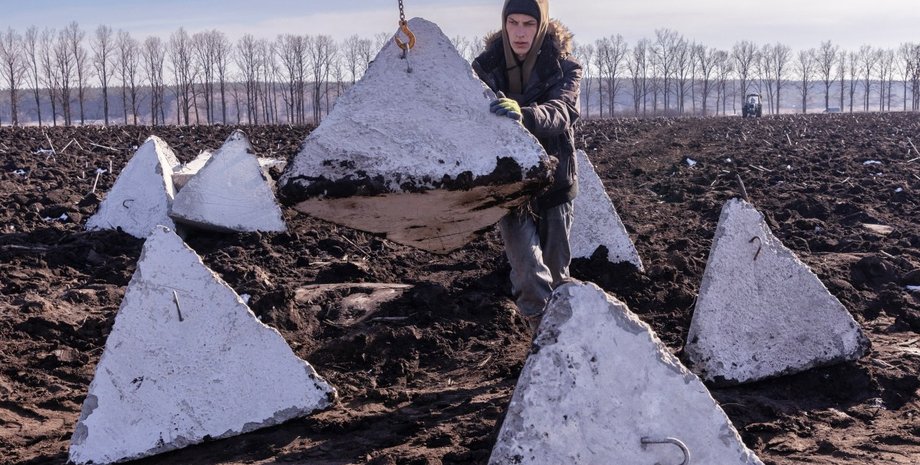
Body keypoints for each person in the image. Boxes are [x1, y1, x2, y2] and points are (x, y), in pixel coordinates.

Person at [472, 0, 582, 331]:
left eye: (529, 24)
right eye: (513, 22)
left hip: (555, 183)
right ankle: (542, 341)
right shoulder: (485, 67)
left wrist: (524, 114)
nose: (520, 32)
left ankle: (563, 343)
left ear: (542, 25)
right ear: (504, 24)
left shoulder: (565, 67)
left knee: (557, 275)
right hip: (510, 185)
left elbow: (562, 111)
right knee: (528, 274)